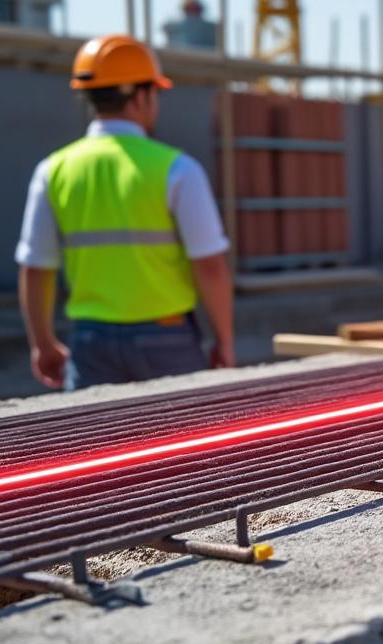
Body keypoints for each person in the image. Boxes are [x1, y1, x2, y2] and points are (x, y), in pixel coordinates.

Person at [16, 34, 234, 391]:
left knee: (96, 444)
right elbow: (209, 265)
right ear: (142, 95)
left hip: (90, 341)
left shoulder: (52, 170)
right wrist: (223, 340)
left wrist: (41, 343)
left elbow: (35, 268)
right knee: (184, 444)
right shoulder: (178, 169)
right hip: (168, 338)